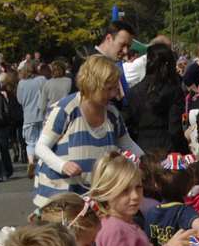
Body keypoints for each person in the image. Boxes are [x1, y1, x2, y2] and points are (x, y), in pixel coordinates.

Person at [32, 56, 140, 206]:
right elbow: (40, 147)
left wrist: (149, 163)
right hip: (61, 196)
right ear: (92, 84)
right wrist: (62, 165)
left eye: (115, 88)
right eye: (108, 89)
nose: (113, 94)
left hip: (93, 195)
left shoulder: (112, 113)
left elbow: (127, 143)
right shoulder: (66, 109)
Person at [126, 44, 187, 158]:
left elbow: (130, 125)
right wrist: (185, 151)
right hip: (166, 148)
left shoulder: (133, 91)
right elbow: (175, 129)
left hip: (140, 149)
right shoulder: (174, 91)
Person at [17, 60, 47, 179]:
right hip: (42, 114)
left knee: (30, 142)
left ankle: (31, 162)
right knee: (42, 141)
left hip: (29, 116)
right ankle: (41, 163)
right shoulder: (42, 80)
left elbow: (19, 100)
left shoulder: (21, 83)